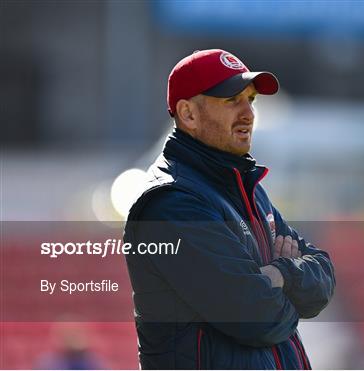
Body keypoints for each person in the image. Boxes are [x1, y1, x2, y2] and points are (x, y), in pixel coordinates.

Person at [124, 49, 336, 369]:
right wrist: (291, 288)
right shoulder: (172, 203)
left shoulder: (247, 188)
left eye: (250, 99)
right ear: (188, 114)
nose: (248, 113)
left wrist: (280, 273)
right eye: (230, 100)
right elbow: (256, 316)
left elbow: (324, 273)